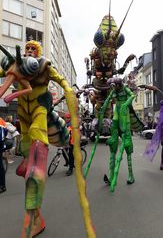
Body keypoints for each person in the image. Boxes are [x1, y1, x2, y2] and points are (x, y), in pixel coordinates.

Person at [0, 42, 95, 237]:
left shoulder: (43, 66)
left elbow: (61, 81)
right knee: (28, 152)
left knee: (37, 150)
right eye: (27, 48)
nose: (28, 51)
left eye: (33, 49)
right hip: (22, 116)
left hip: (39, 111)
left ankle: (32, 217)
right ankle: (36, 216)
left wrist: (69, 92)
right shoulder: (15, 66)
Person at [0, 117, 7, 194]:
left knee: (0, 165)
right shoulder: (1, 120)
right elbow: (6, 131)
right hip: (2, 143)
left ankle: (2, 185)